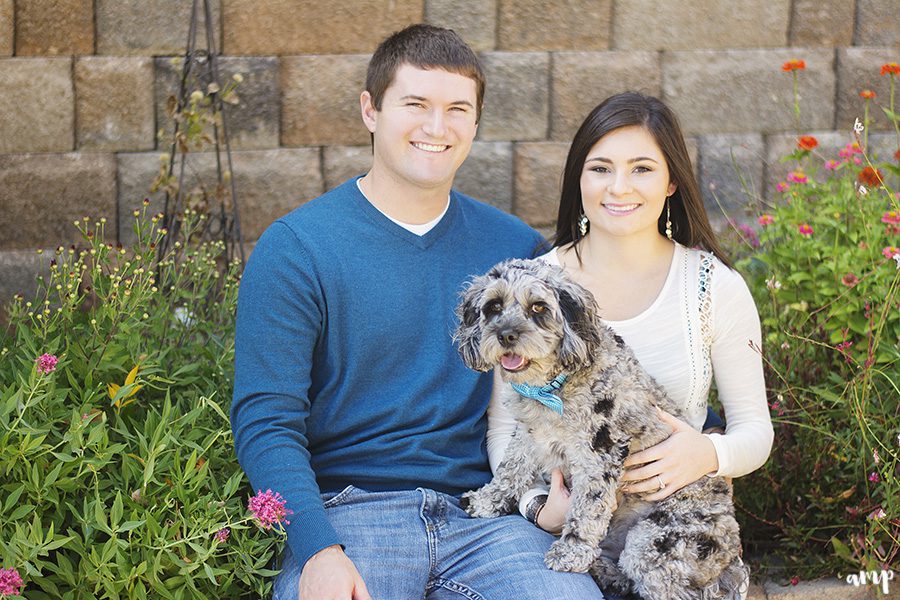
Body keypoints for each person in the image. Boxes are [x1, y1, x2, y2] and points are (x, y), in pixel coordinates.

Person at [231, 24, 606, 600]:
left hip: (486, 520)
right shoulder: (297, 248)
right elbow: (266, 419)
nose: (438, 127)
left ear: (476, 123)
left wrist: (702, 440)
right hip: (351, 519)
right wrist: (316, 550)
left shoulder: (515, 251)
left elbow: (588, 370)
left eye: (457, 108)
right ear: (370, 110)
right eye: (416, 105)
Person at [486, 92, 774, 590]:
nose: (619, 187)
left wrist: (708, 454)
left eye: (641, 168)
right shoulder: (534, 287)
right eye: (600, 168)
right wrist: (539, 509)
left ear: (671, 182)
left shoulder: (712, 287)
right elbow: (504, 426)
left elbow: (755, 431)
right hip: (558, 540)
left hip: (670, 537)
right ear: (579, 179)